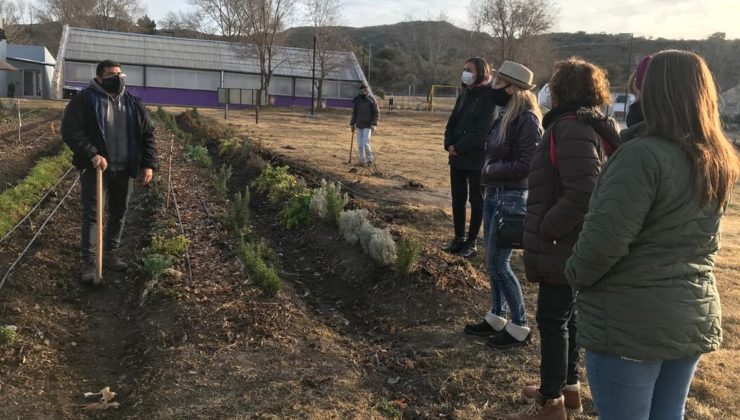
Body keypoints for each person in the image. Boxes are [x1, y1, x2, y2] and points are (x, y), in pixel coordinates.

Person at [565, 50, 739, 420]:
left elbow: (602, 243)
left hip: (631, 322)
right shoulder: (716, 158)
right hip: (688, 314)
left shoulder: (640, 156)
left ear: (653, 92)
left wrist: (574, 275)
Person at [510, 57, 621, 420]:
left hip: (564, 243)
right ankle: (565, 389)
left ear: (562, 90)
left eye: (553, 83)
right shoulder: (581, 124)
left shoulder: (570, 128)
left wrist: (547, 226)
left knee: (552, 320)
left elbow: (583, 191)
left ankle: (551, 403)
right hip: (571, 242)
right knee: (566, 318)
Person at [463, 61, 542, 350]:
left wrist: (491, 170)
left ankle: (520, 325)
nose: (493, 87)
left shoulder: (527, 120)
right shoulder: (507, 115)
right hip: (495, 194)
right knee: (491, 261)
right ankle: (497, 316)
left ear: (512, 88)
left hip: (510, 198)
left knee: (499, 263)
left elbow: (528, 164)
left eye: (497, 83)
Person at [62, 59, 157, 284]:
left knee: (119, 212)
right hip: (95, 168)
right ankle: (89, 262)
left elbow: (148, 134)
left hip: (124, 169)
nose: (118, 78)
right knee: (93, 214)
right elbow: (70, 130)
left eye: (120, 74)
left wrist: (148, 164)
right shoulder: (85, 100)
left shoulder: (133, 103)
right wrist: (91, 153)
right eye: (112, 74)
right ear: (99, 78)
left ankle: (111, 254)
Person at [442, 57, 497, 258]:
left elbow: (482, 130)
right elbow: (452, 121)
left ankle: (472, 242)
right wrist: (448, 144)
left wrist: (460, 146)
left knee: (476, 199)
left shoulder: (490, 96)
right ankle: (458, 238)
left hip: (476, 157)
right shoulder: (464, 93)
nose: (465, 73)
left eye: (469, 70)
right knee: (457, 199)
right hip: (456, 156)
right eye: (464, 69)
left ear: (481, 72)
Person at [349, 84, 379, 166]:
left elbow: (376, 113)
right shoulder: (357, 100)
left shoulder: (371, 100)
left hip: (368, 125)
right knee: (359, 145)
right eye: (361, 90)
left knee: (365, 143)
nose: (363, 92)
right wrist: (352, 123)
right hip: (359, 125)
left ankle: (370, 160)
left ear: (367, 90)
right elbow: (354, 113)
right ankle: (362, 161)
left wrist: (374, 124)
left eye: (364, 90)